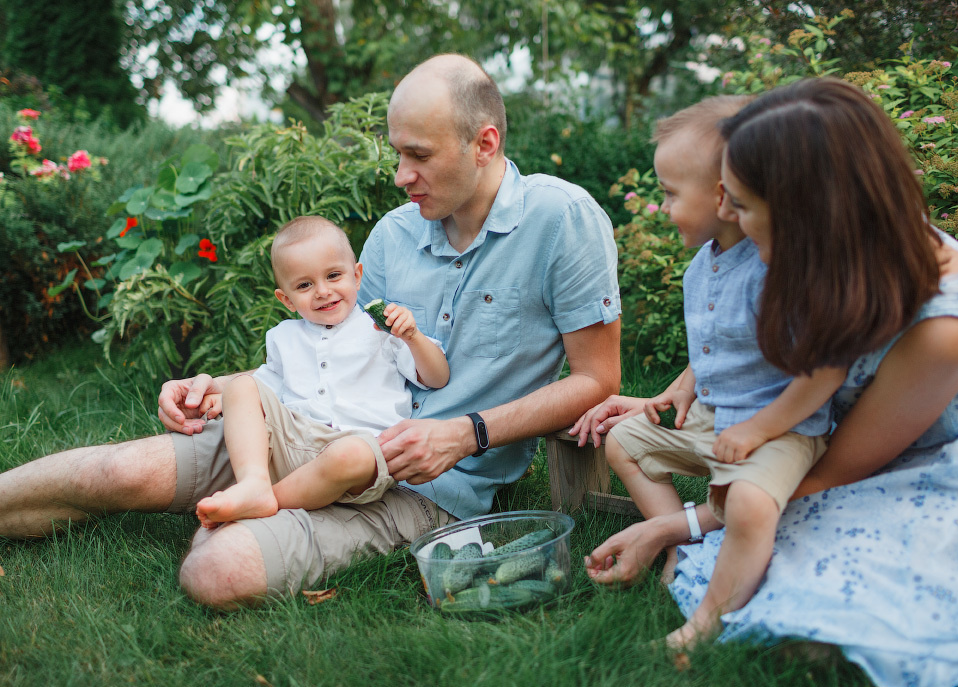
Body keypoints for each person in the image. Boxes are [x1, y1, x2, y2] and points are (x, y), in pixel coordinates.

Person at [0, 53, 622, 609]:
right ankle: (246, 496)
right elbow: (337, 350)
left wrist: (468, 433)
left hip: (426, 488)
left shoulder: (561, 219)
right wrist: (215, 385)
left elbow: (598, 378)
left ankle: (243, 517)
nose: (401, 175)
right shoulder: (392, 235)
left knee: (218, 569)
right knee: (117, 474)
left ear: (484, 143)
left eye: (419, 156)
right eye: (398, 153)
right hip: (309, 430)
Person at [581, 77, 958, 687]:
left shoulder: (945, 329)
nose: (728, 218)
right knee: (757, 564)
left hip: (938, 467)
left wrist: (676, 525)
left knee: (813, 621)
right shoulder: (825, 254)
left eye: (740, 204)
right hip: (821, 445)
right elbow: (746, 349)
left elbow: (837, 472)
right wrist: (689, 388)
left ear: (803, 213)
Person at [572, 95, 845, 648]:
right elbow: (718, 345)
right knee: (625, 440)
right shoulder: (703, 267)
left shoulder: (772, 267)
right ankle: (680, 545)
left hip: (781, 429)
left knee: (746, 502)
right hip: (716, 419)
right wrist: (683, 389)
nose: (664, 206)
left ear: (724, 198)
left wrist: (760, 428)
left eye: (672, 193)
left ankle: (703, 627)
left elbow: (821, 367)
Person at [194, 216, 449, 529]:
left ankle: (271, 500)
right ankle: (253, 482)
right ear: (286, 299)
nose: (322, 291)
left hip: (357, 455)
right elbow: (265, 388)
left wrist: (412, 337)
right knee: (240, 385)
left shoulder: (383, 328)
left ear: (356, 276)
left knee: (350, 455)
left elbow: (438, 378)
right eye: (304, 285)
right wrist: (228, 400)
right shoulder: (283, 337)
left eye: (333, 275)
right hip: (295, 444)